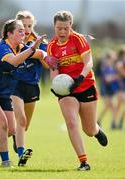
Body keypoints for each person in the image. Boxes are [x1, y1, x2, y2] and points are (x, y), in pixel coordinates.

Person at [0, 19, 47, 167]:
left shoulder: (19, 46)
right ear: (9, 34)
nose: (24, 32)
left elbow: (38, 53)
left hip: (3, 93)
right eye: (20, 30)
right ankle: (6, 162)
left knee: (11, 129)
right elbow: (14, 61)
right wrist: (32, 49)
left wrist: (47, 56)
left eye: (24, 30)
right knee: (2, 124)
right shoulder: (3, 47)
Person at [47, 10, 108, 171]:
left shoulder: (78, 39)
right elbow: (53, 69)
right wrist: (55, 85)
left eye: (65, 28)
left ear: (70, 26)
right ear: (54, 27)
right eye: (59, 28)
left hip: (85, 84)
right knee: (71, 122)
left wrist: (79, 78)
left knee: (88, 129)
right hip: (66, 90)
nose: (62, 32)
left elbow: (89, 63)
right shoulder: (52, 46)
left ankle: (96, 130)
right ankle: (83, 162)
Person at [11, 10, 49, 167]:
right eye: (23, 26)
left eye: (29, 25)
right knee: (21, 120)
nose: (26, 29)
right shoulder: (12, 42)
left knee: (24, 126)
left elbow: (47, 65)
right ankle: (21, 155)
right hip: (14, 84)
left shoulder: (41, 43)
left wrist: (42, 53)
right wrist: (35, 51)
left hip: (32, 86)